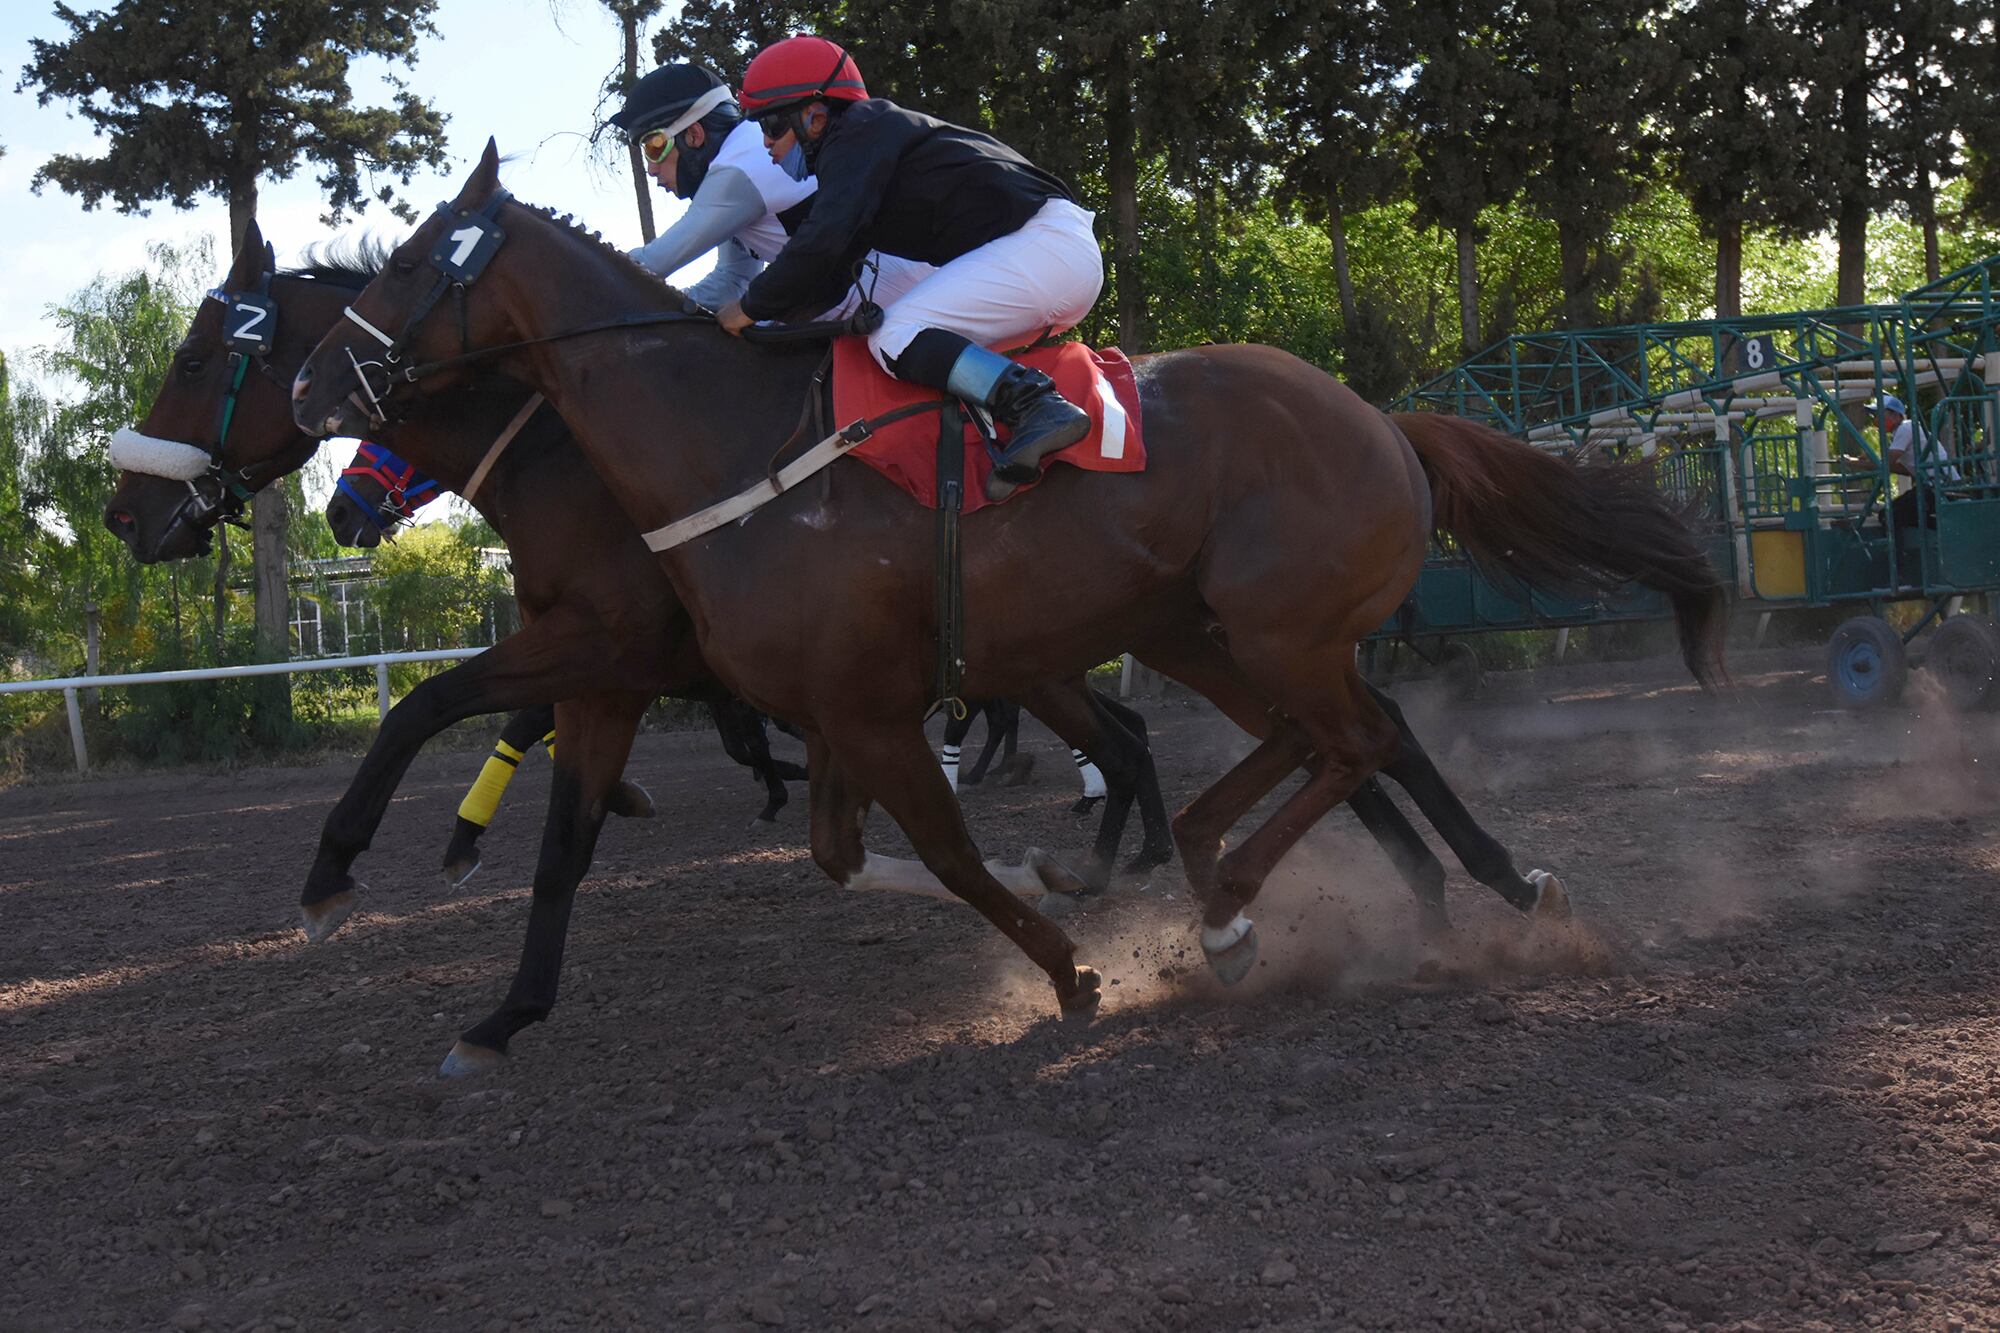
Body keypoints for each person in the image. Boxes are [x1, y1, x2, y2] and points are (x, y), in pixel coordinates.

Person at [714, 36, 1105, 501]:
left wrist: (747, 308)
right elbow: (833, 268)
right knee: (906, 334)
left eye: (772, 125)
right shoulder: (864, 148)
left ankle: (1035, 403)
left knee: (895, 335)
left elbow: (821, 242)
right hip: (1047, 251)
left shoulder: (858, 131)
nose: (766, 144)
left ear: (815, 115)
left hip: (1045, 248)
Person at [610, 62, 926, 318]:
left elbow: (646, 267)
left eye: (653, 147)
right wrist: (666, 312)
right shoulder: (738, 159)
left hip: (900, 293)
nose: (650, 169)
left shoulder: (738, 170)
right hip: (865, 294)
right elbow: (733, 280)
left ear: (694, 134)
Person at [1869, 395, 1960, 531]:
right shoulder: (1902, 431)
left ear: (1896, 415)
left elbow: (1888, 462)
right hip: (1935, 485)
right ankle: (1945, 528)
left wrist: (1861, 463)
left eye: (1879, 415)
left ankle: (1947, 529)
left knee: (1890, 515)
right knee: (1895, 513)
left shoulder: (1906, 428)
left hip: (1939, 486)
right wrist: (1866, 462)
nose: (1876, 420)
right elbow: (1904, 468)